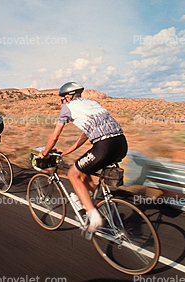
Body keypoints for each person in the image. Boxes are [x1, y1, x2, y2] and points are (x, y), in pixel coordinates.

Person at [39, 82, 128, 233]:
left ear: (68, 97)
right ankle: (87, 200)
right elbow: (87, 132)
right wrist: (69, 150)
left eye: (62, 99)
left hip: (104, 146)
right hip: (121, 144)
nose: (62, 102)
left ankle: (94, 216)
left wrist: (45, 153)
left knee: (73, 173)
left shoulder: (68, 108)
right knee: (83, 170)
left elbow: (54, 137)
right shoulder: (91, 103)